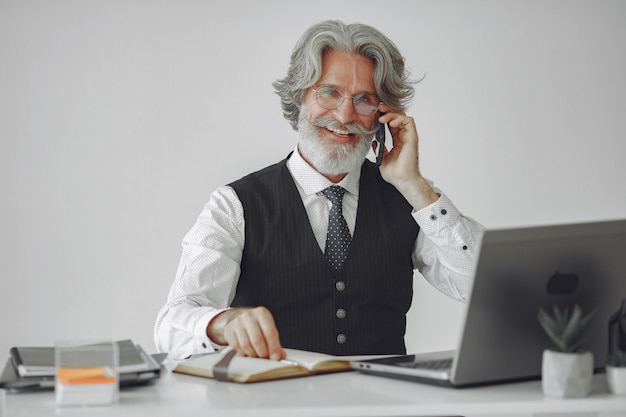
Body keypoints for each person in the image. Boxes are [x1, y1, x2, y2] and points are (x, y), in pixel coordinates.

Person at [154, 20, 484, 361]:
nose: (344, 115)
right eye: (330, 92)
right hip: (277, 406)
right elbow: (170, 327)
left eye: (364, 100)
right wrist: (221, 323)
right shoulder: (236, 205)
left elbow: (483, 290)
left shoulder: (410, 200)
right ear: (299, 96)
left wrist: (415, 186)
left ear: (382, 116)